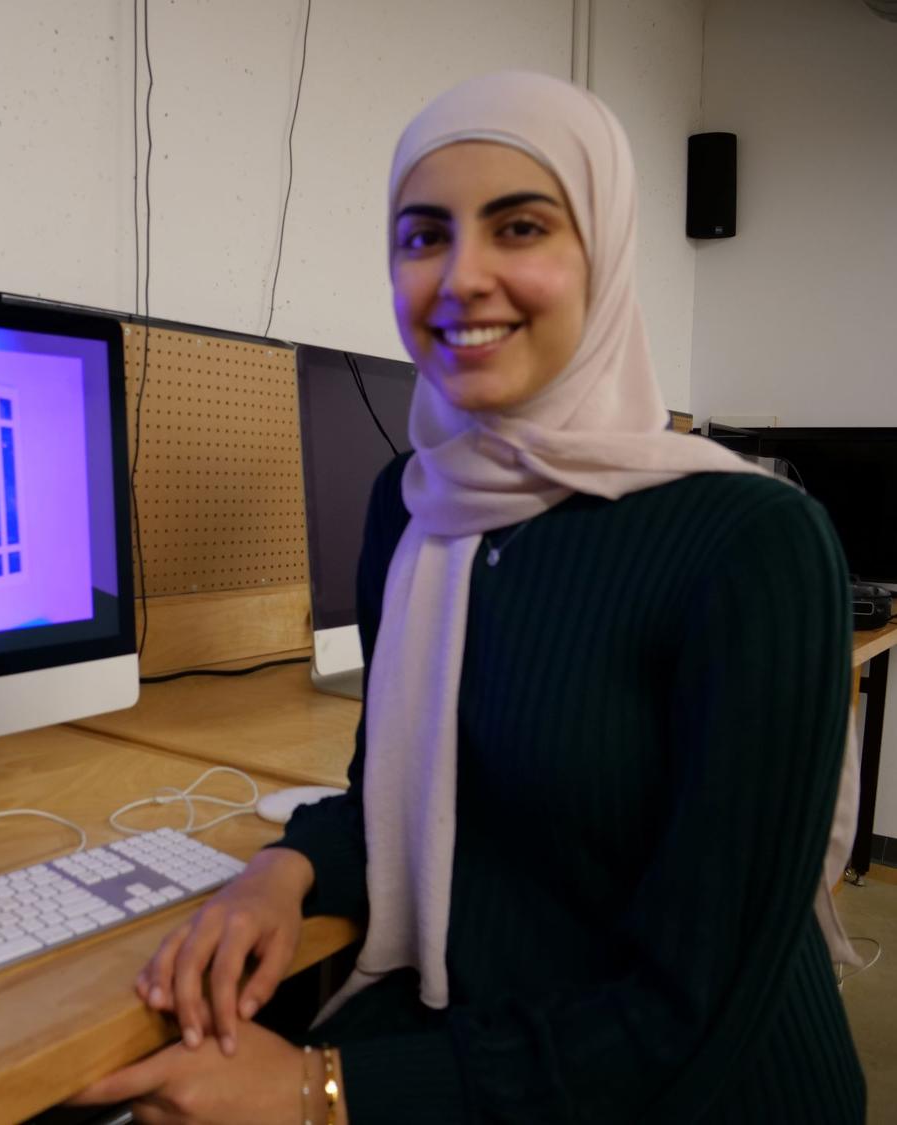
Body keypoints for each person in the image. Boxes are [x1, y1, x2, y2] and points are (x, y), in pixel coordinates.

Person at [71, 70, 866, 1123]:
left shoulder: (750, 543)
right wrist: (284, 871)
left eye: (521, 227)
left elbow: (693, 1012)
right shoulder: (414, 512)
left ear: (605, 254)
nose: (460, 277)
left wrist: (321, 1092)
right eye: (422, 235)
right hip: (479, 1030)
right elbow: (402, 796)